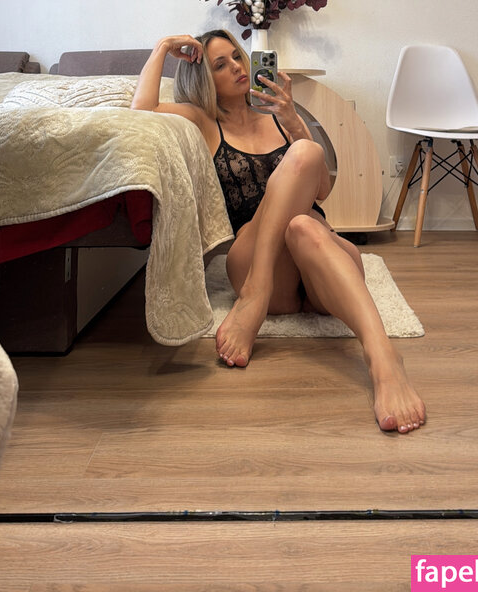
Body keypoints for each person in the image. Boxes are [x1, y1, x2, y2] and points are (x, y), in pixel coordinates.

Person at [131, 29, 426, 434]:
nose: (237, 67)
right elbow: (142, 113)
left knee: (303, 215)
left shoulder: (279, 116)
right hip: (257, 259)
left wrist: (293, 121)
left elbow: (321, 190)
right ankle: (261, 288)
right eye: (221, 65)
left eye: (237, 57)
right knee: (300, 193)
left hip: (316, 255)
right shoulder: (203, 122)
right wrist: (163, 48)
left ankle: (383, 360)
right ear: (202, 80)